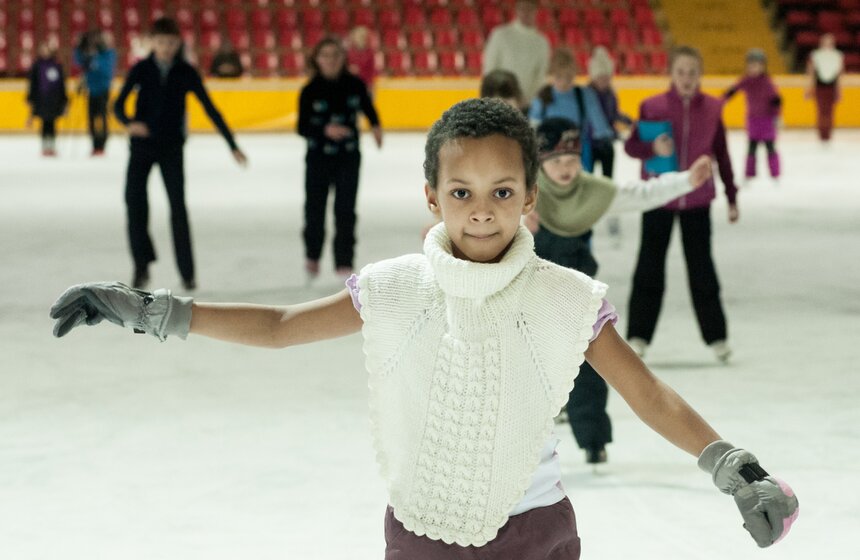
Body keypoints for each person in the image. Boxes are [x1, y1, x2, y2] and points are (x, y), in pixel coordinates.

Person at [50, 98, 798, 559]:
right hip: (420, 536)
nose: (481, 209)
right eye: (462, 191)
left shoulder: (565, 297)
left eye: (502, 191)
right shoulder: (398, 288)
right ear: (432, 197)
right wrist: (153, 310)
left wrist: (734, 466)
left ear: (528, 197)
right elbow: (280, 326)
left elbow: (647, 392)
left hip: (537, 534)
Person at [524, 117, 713, 464]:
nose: (565, 169)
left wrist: (687, 180)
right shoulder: (522, 195)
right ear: (540, 163)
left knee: (589, 366)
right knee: (530, 366)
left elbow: (639, 194)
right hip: (530, 294)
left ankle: (594, 440)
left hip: (575, 292)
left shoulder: (591, 191)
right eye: (555, 162)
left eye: (571, 160)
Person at [113, 17, 247, 291]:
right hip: (142, 147)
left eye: (171, 43)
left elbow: (210, 108)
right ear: (151, 42)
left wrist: (231, 144)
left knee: (178, 209)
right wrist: (129, 123)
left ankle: (187, 273)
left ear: (178, 43)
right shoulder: (141, 69)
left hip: (171, 147)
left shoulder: (186, 71)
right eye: (161, 42)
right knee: (134, 202)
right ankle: (142, 266)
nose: (166, 48)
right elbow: (118, 105)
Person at [623, 46, 738, 362]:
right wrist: (651, 147)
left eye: (692, 72)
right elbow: (632, 146)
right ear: (671, 74)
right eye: (681, 72)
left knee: (702, 269)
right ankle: (638, 336)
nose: (687, 78)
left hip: (697, 201)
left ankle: (717, 338)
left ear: (700, 74)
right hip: (658, 197)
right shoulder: (652, 106)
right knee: (649, 267)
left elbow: (722, 155)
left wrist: (732, 195)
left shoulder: (713, 108)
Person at [297, 36, 382, 282]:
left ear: (343, 58)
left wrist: (376, 126)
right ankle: (312, 254)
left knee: (345, 210)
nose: (331, 61)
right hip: (318, 159)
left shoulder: (355, 84)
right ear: (317, 60)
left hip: (348, 157)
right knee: (315, 209)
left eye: (335, 55)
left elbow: (368, 107)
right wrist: (325, 130)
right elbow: (301, 127)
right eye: (325, 56)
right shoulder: (309, 90)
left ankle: (344, 261)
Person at [529, 48, 615, 174]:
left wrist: (608, 136)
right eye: (559, 76)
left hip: (579, 154)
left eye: (568, 77)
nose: (564, 82)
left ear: (574, 74)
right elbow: (533, 128)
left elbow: (600, 126)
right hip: (550, 156)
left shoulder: (585, 95)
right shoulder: (543, 97)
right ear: (552, 74)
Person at [586, 46, 633, 243]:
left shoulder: (610, 94)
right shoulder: (586, 95)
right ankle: (585, 218)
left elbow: (613, 115)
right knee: (587, 184)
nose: (605, 81)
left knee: (607, 183)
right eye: (601, 77)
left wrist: (629, 121)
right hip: (590, 146)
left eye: (607, 77)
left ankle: (609, 215)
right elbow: (590, 121)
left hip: (606, 147)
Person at [723, 49, 782, 182]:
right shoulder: (746, 80)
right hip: (753, 120)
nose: (753, 68)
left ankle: (775, 174)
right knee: (751, 147)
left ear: (763, 66)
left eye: (757, 65)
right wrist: (721, 101)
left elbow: (776, 99)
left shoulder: (767, 82)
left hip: (767, 120)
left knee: (770, 147)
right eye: (751, 65)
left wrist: (777, 116)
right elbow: (733, 90)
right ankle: (750, 174)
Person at [482, 0, 550, 109]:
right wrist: (499, 98)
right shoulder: (500, 35)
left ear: (536, 11)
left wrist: (526, 100)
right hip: (499, 103)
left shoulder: (542, 42)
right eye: (522, 8)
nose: (525, 12)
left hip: (526, 106)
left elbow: (540, 76)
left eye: (529, 9)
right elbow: (490, 70)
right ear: (516, 10)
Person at [74, 30, 116, 156]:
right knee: (91, 119)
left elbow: (105, 70)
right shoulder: (93, 54)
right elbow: (78, 60)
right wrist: (79, 45)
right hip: (91, 90)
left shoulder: (108, 54)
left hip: (103, 90)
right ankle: (94, 144)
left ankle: (102, 144)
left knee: (102, 118)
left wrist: (93, 64)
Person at [26, 42, 67, 157]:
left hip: (54, 100)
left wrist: (64, 100)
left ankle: (52, 146)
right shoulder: (37, 66)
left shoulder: (56, 65)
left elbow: (61, 84)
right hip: (42, 99)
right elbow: (33, 84)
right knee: (44, 123)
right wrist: (31, 98)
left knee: (52, 123)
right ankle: (45, 146)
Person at [805, 33, 844, 143]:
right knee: (821, 111)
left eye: (830, 42)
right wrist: (809, 89)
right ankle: (821, 135)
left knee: (830, 112)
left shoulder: (837, 55)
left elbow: (839, 75)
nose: (827, 45)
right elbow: (811, 74)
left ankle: (828, 135)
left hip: (831, 87)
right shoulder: (815, 55)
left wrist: (839, 91)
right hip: (820, 87)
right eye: (825, 42)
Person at [346, 26, 377, 94]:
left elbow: (372, 71)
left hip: (366, 84)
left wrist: (370, 85)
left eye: (362, 37)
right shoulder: (349, 52)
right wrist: (349, 69)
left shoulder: (370, 53)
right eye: (356, 37)